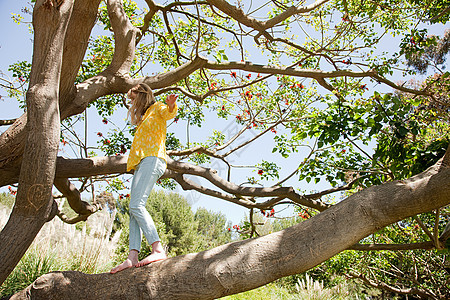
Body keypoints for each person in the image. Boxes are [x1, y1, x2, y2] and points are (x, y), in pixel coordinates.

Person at [110, 83, 178, 274]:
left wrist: (171, 105)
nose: (131, 103)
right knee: (133, 208)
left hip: (153, 159)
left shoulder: (157, 108)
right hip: (142, 163)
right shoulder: (143, 118)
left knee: (136, 205)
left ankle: (157, 249)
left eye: (133, 99)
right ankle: (132, 257)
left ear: (142, 96)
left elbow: (168, 112)